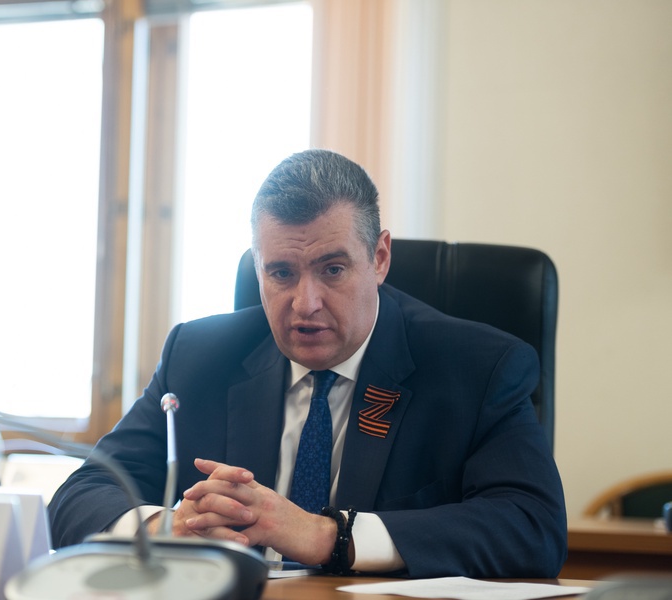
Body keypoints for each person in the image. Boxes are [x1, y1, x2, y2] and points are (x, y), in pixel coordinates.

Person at [48, 149, 567, 578]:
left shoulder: (477, 368)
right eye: (281, 273)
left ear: (379, 258)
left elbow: (533, 527)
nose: (305, 303)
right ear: (258, 267)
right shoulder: (199, 356)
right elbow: (80, 495)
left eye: (332, 269)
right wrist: (167, 527)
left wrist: (328, 535)